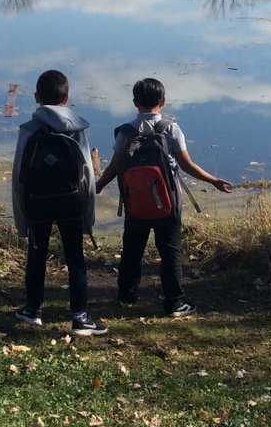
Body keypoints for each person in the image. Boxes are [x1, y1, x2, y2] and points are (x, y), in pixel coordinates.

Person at [95, 77, 234, 317]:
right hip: (168, 203)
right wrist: (214, 181)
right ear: (163, 101)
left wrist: (97, 186)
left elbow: (115, 167)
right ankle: (175, 303)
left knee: (132, 249)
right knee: (170, 250)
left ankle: (127, 297)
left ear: (135, 102)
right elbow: (187, 166)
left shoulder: (126, 131)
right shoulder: (171, 129)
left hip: (135, 202)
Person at [11, 69, 107, 336]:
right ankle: (80, 317)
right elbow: (86, 173)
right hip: (71, 202)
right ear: (67, 98)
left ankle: (32, 310)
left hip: (37, 201)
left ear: (36, 97)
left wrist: (22, 219)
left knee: (36, 255)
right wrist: (88, 215)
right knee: (75, 257)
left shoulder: (28, 130)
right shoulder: (77, 128)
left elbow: (19, 176)